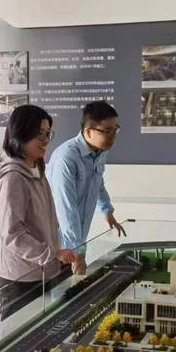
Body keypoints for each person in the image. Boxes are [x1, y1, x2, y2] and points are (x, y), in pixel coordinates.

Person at [0, 104, 78, 319]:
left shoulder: (35, 167)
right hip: (20, 277)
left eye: (48, 133)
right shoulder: (13, 178)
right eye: (39, 134)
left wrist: (56, 252)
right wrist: (52, 254)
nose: (46, 140)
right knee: (18, 337)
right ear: (21, 133)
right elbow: (13, 234)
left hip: (39, 269)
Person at [48, 100, 127, 273]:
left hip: (77, 241)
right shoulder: (67, 158)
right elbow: (66, 208)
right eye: (108, 131)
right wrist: (78, 252)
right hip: (59, 247)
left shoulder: (100, 151)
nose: (113, 136)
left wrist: (107, 211)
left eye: (115, 130)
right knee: (58, 286)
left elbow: (98, 182)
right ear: (89, 131)